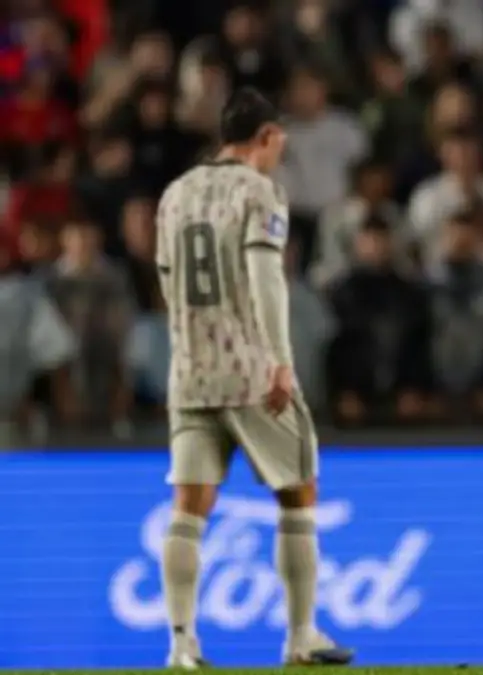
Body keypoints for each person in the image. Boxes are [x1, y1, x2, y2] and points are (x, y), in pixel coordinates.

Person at [153, 87, 353, 669]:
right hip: (250, 369)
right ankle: (301, 636)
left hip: (190, 371)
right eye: (279, 141)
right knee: (299, 491)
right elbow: (267, 279)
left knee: (188, 506)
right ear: (265, 137)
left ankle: (181, 642)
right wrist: (279, 360)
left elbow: (165, 279)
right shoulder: (260, 191)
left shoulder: (175, 193)